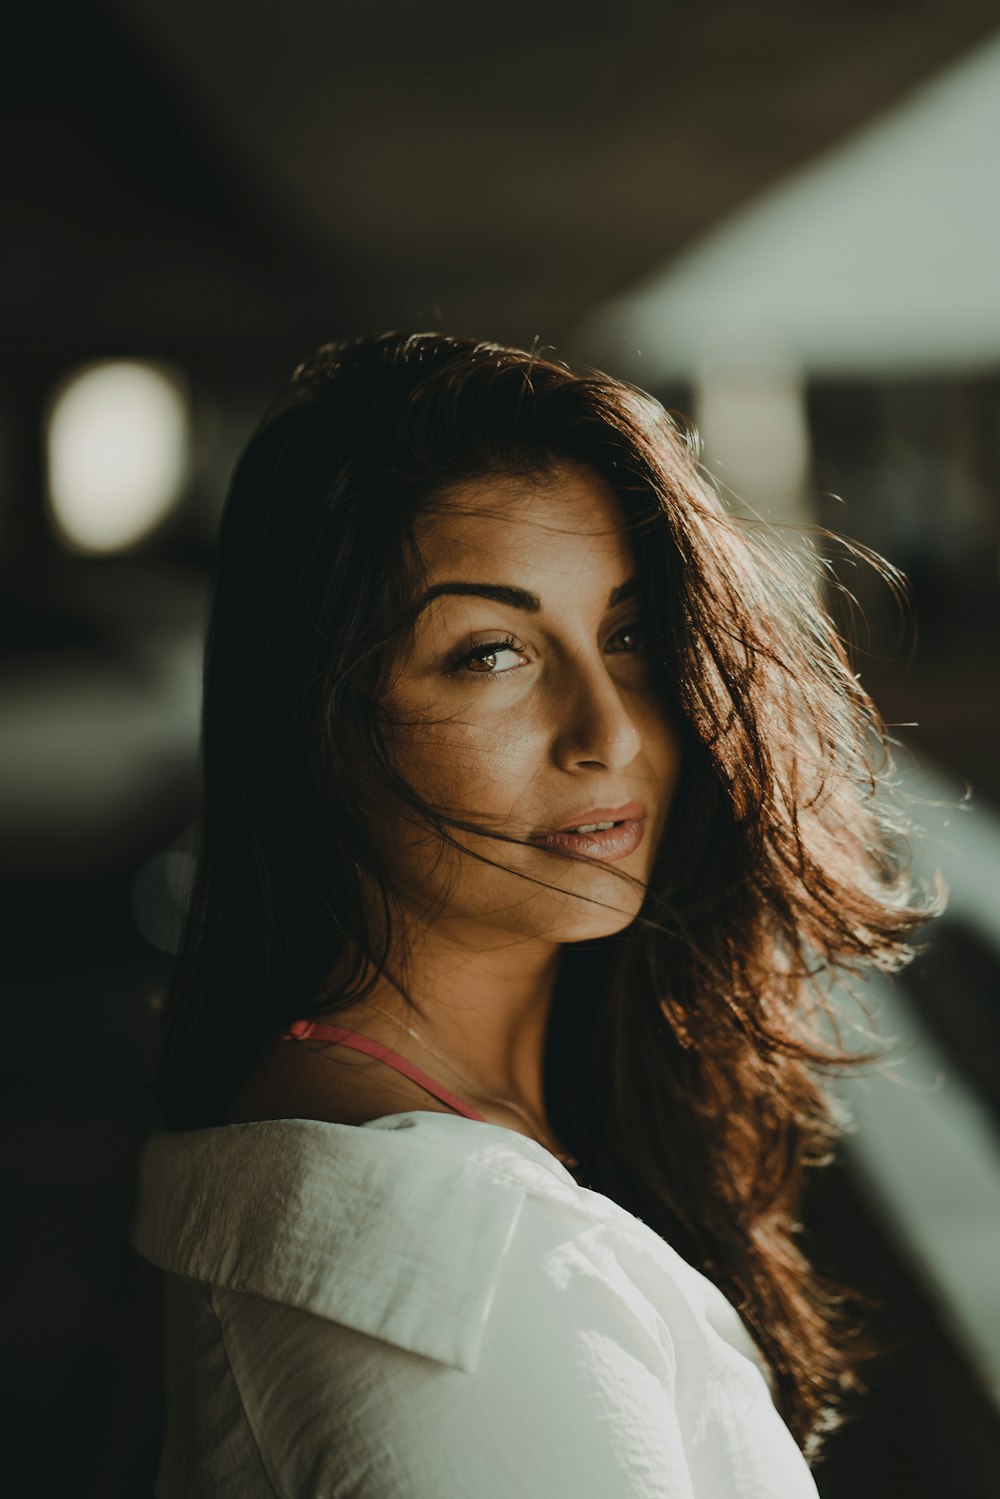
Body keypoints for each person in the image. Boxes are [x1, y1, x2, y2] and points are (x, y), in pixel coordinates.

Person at [132, 331, 938, 1497]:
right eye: (491, 652)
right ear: (320, 718)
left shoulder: (375, 1131)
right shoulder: (484, 1287)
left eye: (626, 634)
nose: (606, 731)